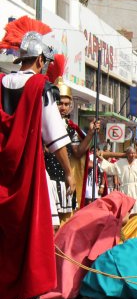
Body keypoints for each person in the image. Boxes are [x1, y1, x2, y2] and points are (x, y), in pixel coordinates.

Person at [0, 16, 75, 299]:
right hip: (28, 175)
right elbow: (55, 137)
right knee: (36, 236)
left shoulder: (1, 83)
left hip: (1, 173)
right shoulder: (40, 88)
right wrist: (69, 172)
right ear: (41, 59)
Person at [42, 191, 137, 299]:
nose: (129, 214)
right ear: (120, 208)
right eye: (128, 210)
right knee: (69, 285)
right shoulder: (108, 219)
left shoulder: (94, 209)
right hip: (72, 255)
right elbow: (101, 256)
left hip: (59, 250)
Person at [43, 58, 101, 222]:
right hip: (48, 178)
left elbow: (77, 152)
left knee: (65, 222)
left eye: (66, 104)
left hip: (64, 179)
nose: (63, 107)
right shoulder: (43, 123)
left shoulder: (71, 128)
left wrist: (90, 133)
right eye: (60, 103)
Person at [97, 146, 137, 215]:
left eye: (134, 153)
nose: (132, 155)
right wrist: (101, 159)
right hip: (124, 189)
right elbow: (110, 168)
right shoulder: (120, 163)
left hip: (136, 189)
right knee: (125, 210)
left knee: (136, 209)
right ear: (127, 154)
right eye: (131, 153)